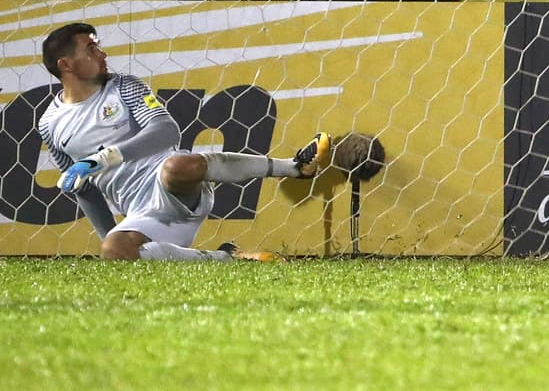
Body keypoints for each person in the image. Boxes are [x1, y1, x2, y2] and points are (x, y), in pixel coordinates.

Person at [37, 22, 331, 262]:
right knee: (115, 250)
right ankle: (231, 259)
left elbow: (166, 131)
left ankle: (294, 167)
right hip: (145, 215)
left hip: (175, 186)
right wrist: (112, 243)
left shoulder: (123, 86)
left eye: (98, 45)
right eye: (91, 48)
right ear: (66, 64)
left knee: (178, 164)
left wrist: (106, 157)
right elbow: (82, 187)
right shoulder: (50, 124)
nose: (102, 54)